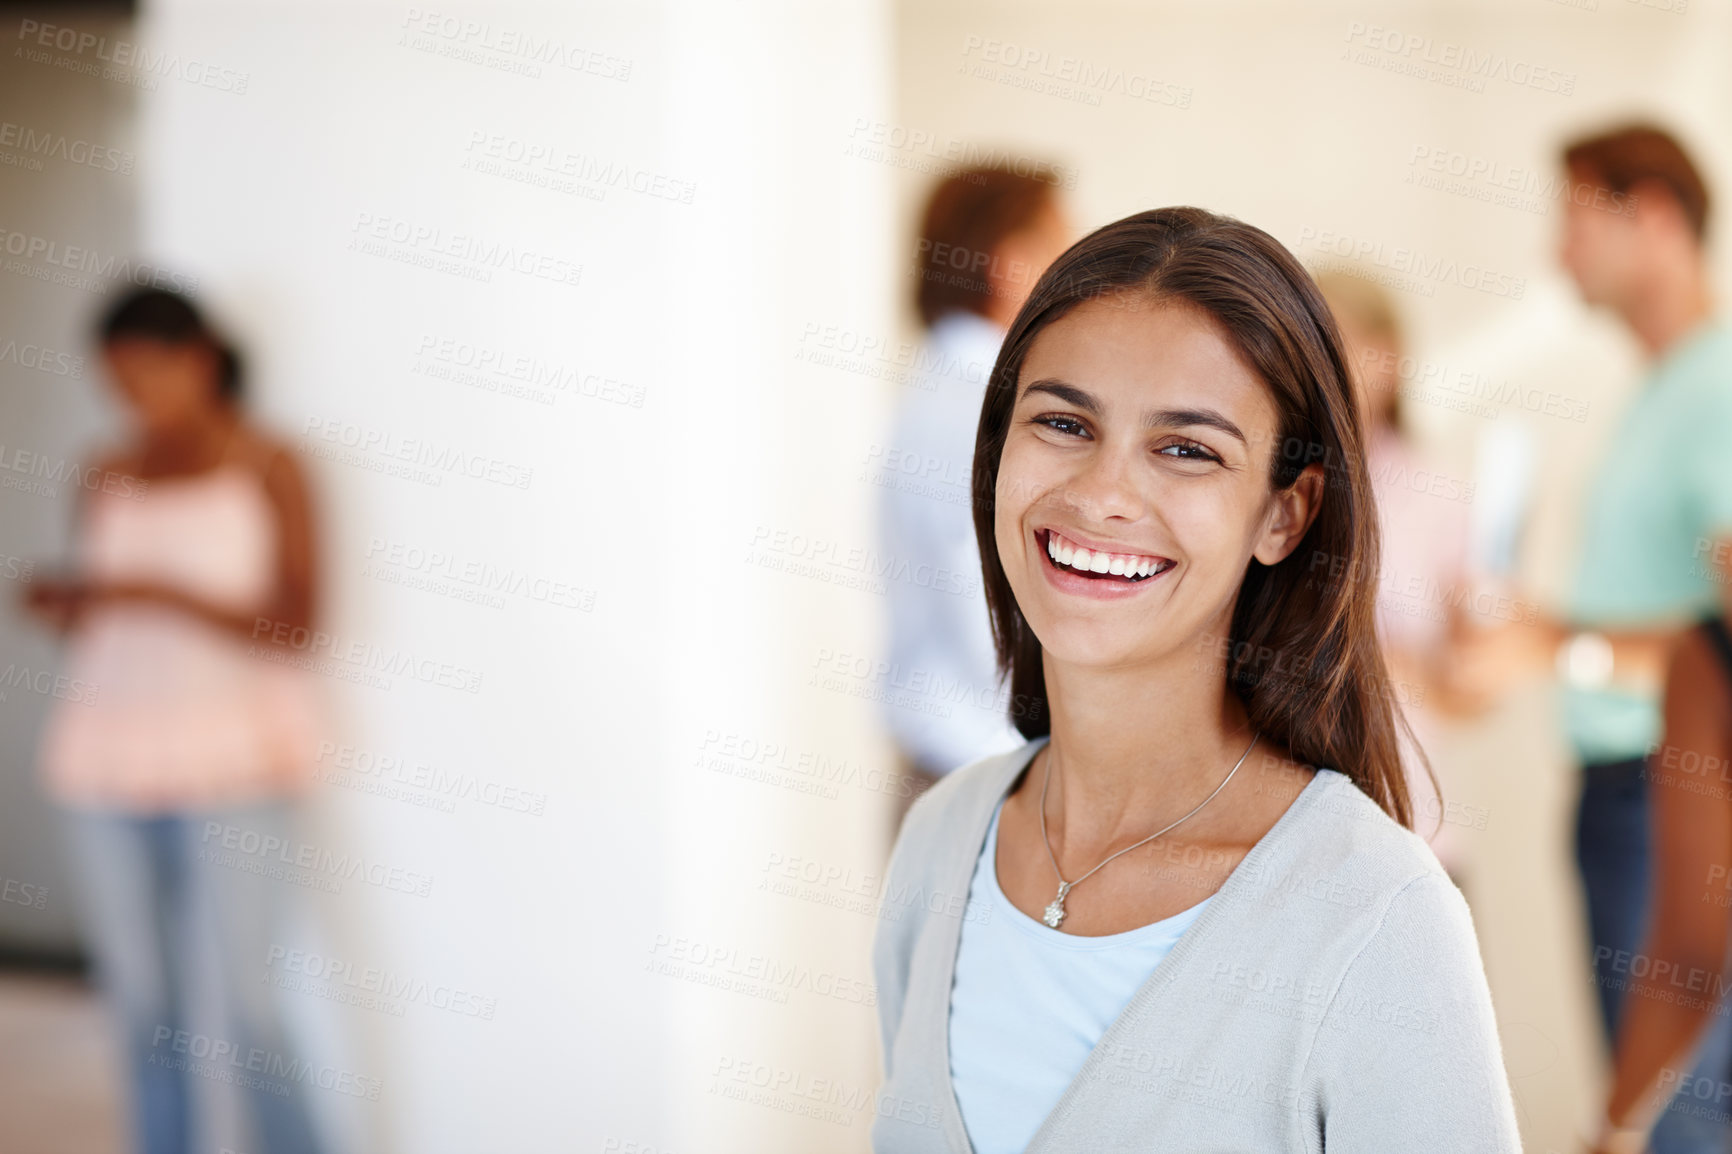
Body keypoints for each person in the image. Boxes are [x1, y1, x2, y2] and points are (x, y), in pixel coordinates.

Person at [871, 207, 1520, 1152]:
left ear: (1285, 516)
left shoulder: (1379, 918)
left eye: (1187, 449)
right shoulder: (939, 844)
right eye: (1061, 421)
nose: (1101, 495)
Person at [1440, 123, 1732, 1153]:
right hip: (1628, 793)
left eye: (1573, 216)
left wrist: (1554, 645)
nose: (1553, 251)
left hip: (1669, 792)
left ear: (1652, 215)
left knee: (1676, 1120)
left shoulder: (1714, 387)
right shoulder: (1659, 391)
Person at [23, 288, 330, 1154]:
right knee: (143, 1006)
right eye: (112, 381)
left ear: (197, 357)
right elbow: (94, 608)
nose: (128, 398)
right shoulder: (103, 468)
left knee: (247, 1007)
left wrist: (160, 594)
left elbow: (298, 626)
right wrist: (65, 601)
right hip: (105, 757)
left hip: (234, 761)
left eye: (143, 374)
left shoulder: (272, 464)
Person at [878, 165, 1071, 814]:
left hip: (954, 763)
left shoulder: (938, 386)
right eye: (1062, 249)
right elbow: (983, 594)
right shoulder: (983, 402)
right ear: (1011, 265)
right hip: (984, 774)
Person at [1315, 271, 1477, 878]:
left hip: (1411, 834)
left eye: (1352, 344)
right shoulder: (1255, 486)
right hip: (1278, 842)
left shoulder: (1442, 493)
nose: (1335, 366)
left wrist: (1414, 669)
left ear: (1394, 358)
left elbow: (1471, 689)